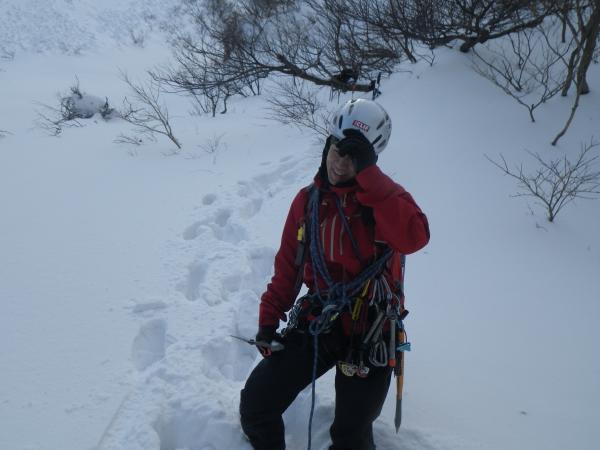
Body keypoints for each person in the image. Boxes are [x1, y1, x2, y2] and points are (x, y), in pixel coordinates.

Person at [239, 98, 430, 450]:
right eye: (337, 151)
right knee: (256, 404)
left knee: (351, 436)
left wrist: (371, 179)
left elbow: (414, 237)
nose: (340, 164)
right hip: (322, 319)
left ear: (370, 162)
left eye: (354, 158)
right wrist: (268, 320)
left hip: (371, 331)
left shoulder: (385, 199)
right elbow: (288, 268)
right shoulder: (309, 202)